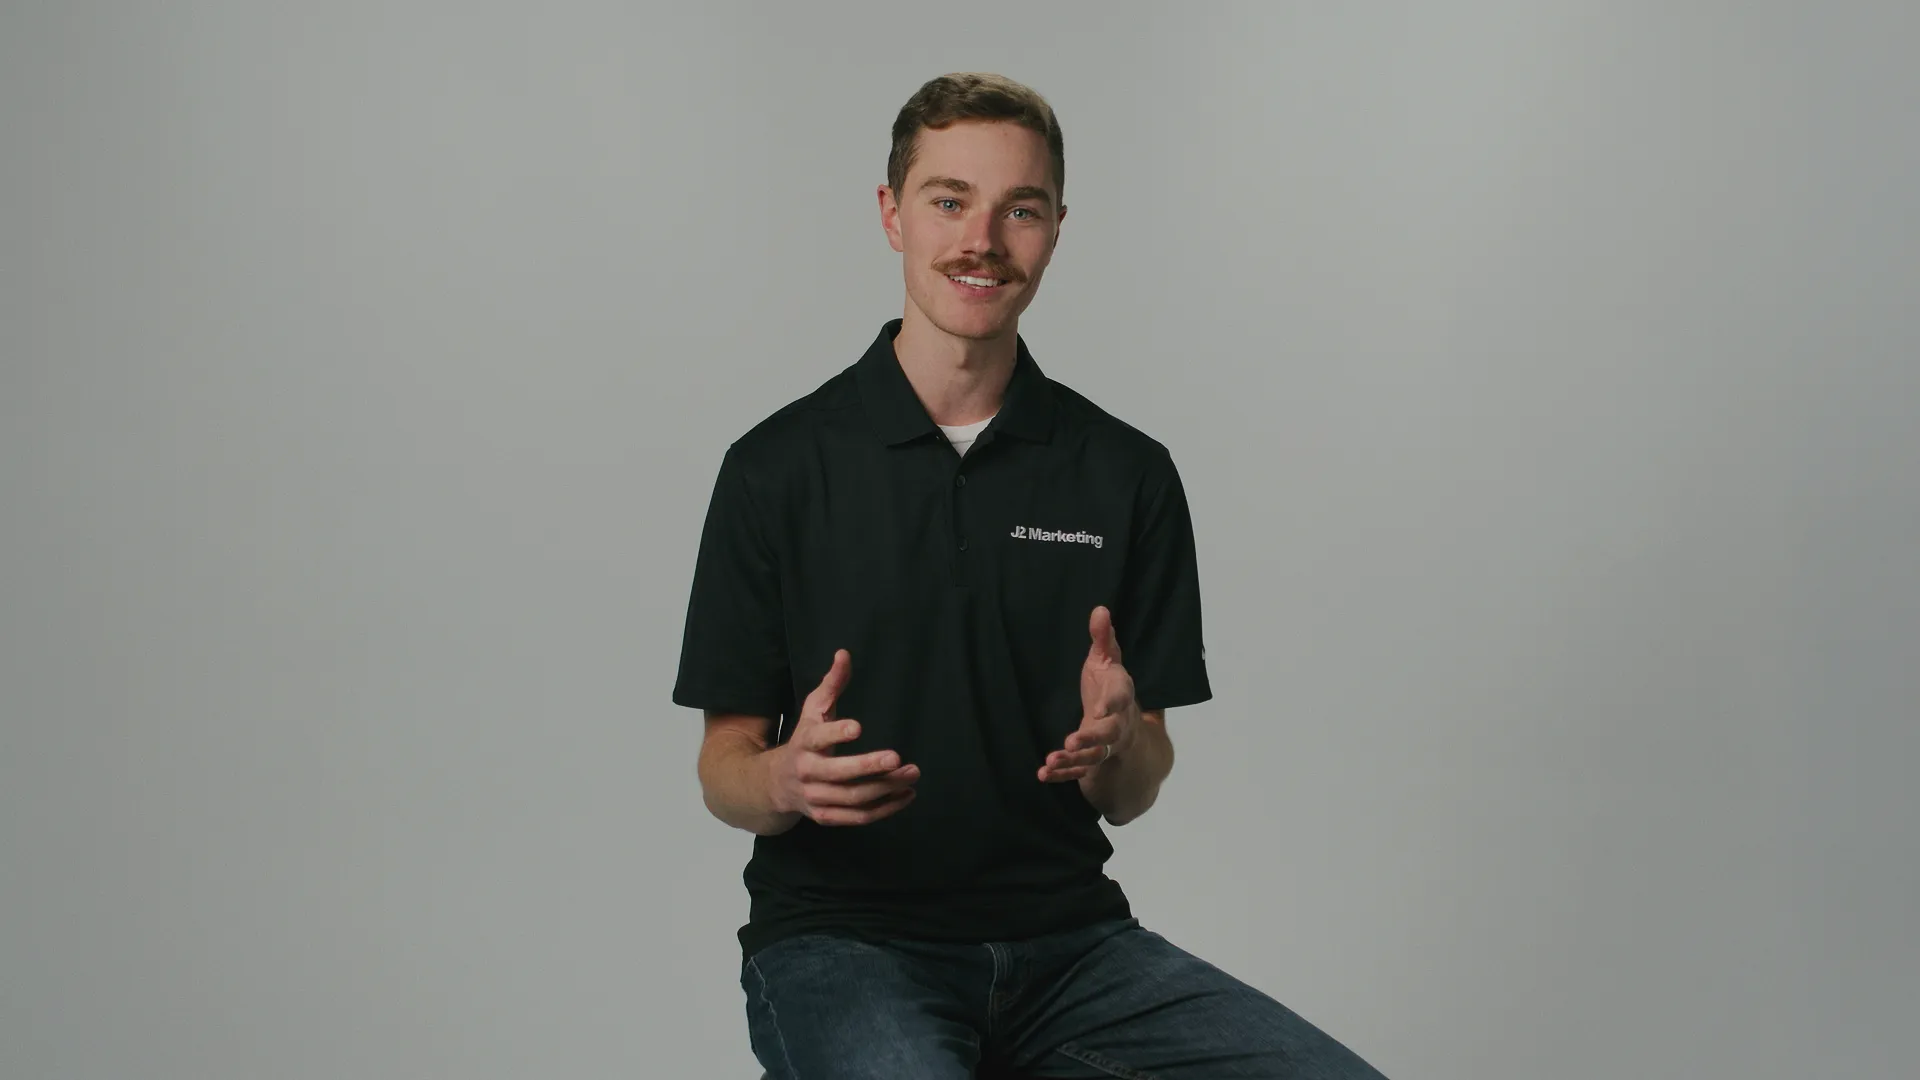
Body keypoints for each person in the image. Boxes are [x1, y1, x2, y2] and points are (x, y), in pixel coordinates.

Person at [673, 72, 1388, 1080]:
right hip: (846, 945)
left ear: (1056, 228)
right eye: (949, 199)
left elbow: (1136, 787)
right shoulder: (778, 468)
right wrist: (782, 779)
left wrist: (1115, 746)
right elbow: (724, 767)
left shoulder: (1125, 471)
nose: (984, 239)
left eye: (1022, 209)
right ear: (892, 215)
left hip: (1074, 952)